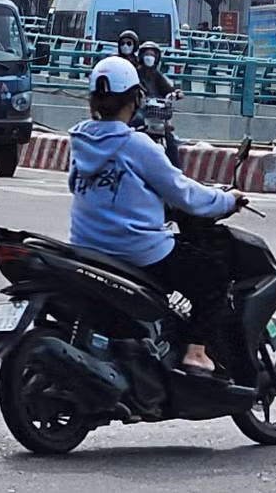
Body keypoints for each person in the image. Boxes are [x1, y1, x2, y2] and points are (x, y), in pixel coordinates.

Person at [68, 56, 246, 379]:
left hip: (86, 248)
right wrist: (226, 201)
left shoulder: (80, 141)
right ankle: (195, 353)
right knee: (214, 278)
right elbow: (184, 193)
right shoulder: (138, 145)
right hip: (137, 251)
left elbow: (76, 186)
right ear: (135, 100)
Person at [137, 41, 184, 167]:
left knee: (170, 140)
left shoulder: (156, 75)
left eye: (153, 55)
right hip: (139, 113)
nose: (149, 57)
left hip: (155, 114)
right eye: (147, 54)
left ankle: (177, 170)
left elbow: (168, 88)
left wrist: (176, 93)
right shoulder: (136, 73)